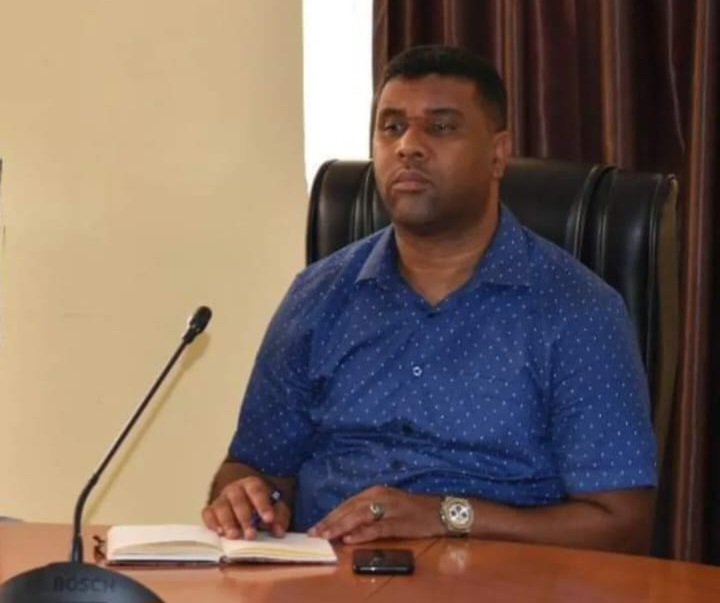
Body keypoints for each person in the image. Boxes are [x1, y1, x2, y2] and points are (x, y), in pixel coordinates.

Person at [202, 45, 657, 554]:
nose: (409, 147)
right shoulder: (317, 296)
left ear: (498, 154)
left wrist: (446, 516)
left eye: (440, 127)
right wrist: (243, 496)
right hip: (328, 574)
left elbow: (622, 525)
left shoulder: (577, 310)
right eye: (392, 127)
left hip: (499, 579)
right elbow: (256, 468)